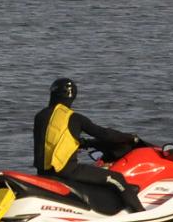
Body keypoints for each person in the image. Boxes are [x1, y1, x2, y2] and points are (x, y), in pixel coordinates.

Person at [34, 78, 145, 214]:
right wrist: (130, 137)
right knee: (117, 179)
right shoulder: (74, 118)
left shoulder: (39, 116)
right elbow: (105, 134)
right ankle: (141, 213)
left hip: (43, 173)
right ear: (73, 96)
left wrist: (83, 143)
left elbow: (52, 139)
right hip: (68, 171)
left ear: (52, 94)